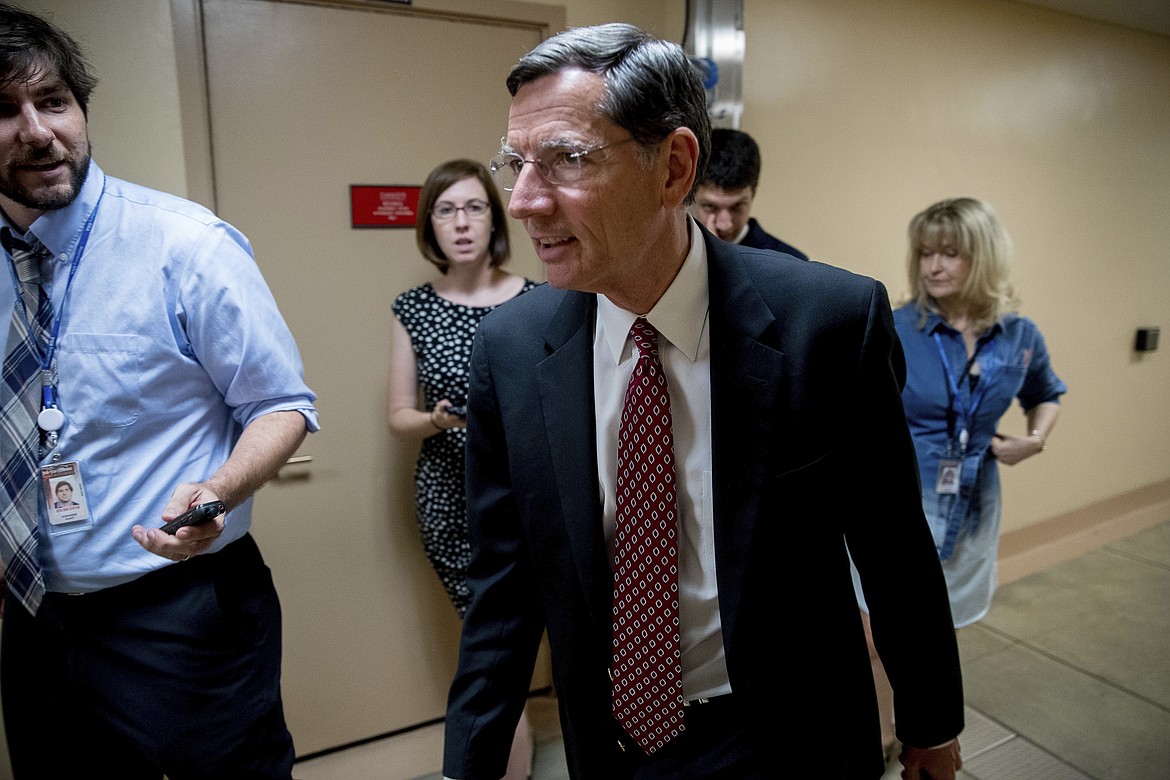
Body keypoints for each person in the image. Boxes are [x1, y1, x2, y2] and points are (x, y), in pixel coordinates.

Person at [442, 23, 963, 780]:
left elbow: (892, 547)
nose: (521, 202)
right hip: (614, 745)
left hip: (795, 737)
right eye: (518, 163)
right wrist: (470, 767)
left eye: (566, 161)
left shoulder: (828, 323)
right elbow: (504, 591)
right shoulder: (512, 351)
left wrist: (931, 721)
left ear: (674, 168)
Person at [0, 4, 318, 777]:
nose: (38, 131)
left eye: (54, 102)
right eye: (3, 111)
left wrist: (216, 486)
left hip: (178, 612)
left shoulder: (185, 245)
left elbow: (283, 405)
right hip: (35, 618)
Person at [857, 196, 1065, 749]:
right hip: (897, 502)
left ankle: (918, 718)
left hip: (973, 505)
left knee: (935, 628)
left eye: (950, 254)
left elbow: (1046, 393)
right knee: (878, 631)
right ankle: (881, 738)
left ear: (984, 258)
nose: (934, 266)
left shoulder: (1019, 337)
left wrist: (1036, 439)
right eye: (926, 254)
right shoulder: (894, 326)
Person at [386, 159, 537, 779]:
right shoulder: (412, 308)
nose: (462, 223)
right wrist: (440, 420)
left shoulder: (539, 299)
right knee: (492, 654)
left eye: (475, 207)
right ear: (430, 225)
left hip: (533, 498)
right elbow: (399, 415)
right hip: (452, 501)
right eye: (446, 210)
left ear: (495, 218)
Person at [690, 127, 808, 260]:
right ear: (690, 190)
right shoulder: (673, 255)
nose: (725, 224)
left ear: (754, 191)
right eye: (710, 207)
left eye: (737, 207)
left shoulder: (790, 262)